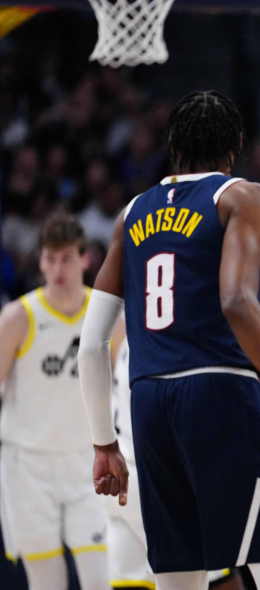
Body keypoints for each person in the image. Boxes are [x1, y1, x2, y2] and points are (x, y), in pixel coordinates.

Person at [77, 90, 260, 590]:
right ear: (238, 143)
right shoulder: (244, 196)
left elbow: (91, 345)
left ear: (172, 146)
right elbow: (237, 301)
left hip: (147, 403)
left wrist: (103, 444)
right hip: (219, 391)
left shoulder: (130, 213)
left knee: (180, 576)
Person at [0, 214, 109, 590]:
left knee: (100, 580)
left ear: (85, 259)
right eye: (51, 258)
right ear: (41, 262)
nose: (58, 268)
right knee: (46, 583)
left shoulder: (108, 315)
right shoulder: (17, 317)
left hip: (89, 463)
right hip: (27, 464)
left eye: (66, 258)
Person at [104, 316, 244, 590]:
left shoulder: (123, 325)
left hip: (119, 476)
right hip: (158, 474)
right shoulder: (175, 335)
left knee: (132, 580)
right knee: (217, 578)